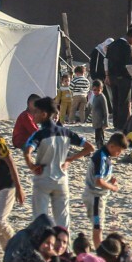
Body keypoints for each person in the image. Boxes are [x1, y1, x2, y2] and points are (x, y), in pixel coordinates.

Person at [27, 96, 90, 232]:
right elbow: (89, 147)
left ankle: (44, 248)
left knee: (40, 219)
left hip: (43, 178)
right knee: (63, 221)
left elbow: (27, 151)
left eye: (36, 112)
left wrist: (31, 165)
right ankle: (64, 249)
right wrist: (69, 159)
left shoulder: (39, 134)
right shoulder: (66, 132)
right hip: (61, 179)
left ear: (44, 114)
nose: (34, 115)